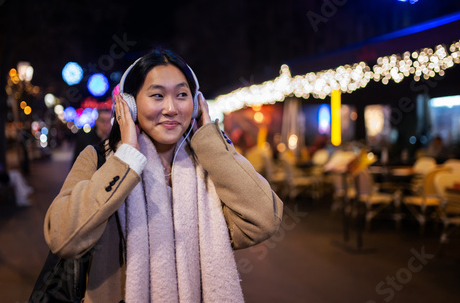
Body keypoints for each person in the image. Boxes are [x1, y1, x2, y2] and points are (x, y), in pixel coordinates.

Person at [44, 49, 283, 302]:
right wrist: (126, 160)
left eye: (182, 95)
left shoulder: (209, 165)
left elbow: (264, 220)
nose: (171, 108)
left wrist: (211, 142)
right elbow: (63, 238)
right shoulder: (99, 161)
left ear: (195, 105)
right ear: (130, 105)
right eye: (157, 95)